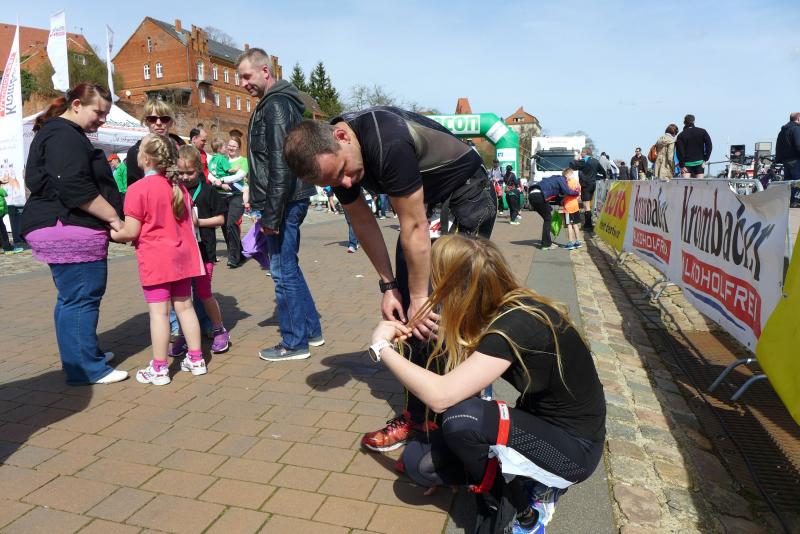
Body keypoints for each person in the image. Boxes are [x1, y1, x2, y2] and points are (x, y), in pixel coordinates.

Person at [283, 106, 497, 451]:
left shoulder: (388, 141)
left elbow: (413, 225)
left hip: (466, 197)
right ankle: (418, 417)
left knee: (444, 311)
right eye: (334, 183)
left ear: (341, 136)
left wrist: (420, 298)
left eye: (343, 173)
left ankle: (466, 417)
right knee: (408, 315)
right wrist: (389, 286)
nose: (347, 184)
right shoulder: (336, 160)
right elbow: (362, 221)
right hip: (427, 206)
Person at [368, 234, 605, 534]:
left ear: (453, 288)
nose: (432, 295)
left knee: (463, 419)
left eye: (435, 285)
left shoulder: (515, 324)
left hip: (574, 451)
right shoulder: (493, 308)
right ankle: (515, 477)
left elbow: (441, 396)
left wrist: (382, 347)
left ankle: (527, 511)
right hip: (536, 425)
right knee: (419, 462)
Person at [20, 83, 128, 385]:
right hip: (68, 227)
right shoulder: (63, 135)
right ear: (77, 105)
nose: (102, 120)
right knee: (81, 298)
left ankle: (83, 355)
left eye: (105, 114)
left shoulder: (61, 133)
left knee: (73, 298)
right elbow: (73, 185)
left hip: (63, 226)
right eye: (98, 112)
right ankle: (85, 367)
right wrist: (114, 219)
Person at [237, 47, 323, 362]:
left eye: (247, 76)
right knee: (288, 267)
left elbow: (280, 163)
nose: (243, 83)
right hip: (287, 198)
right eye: (240, 78)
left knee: (282, 271)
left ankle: (294, 342)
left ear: (265, 71)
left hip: (284, 201)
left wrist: (271, 215)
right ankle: (310, 331)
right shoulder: (277, 103)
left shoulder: (275, 106)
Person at [111, 134, 207, 386]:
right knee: (186, 308)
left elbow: (130, 231)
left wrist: (111, 233)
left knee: (159, 314)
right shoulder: (179, 187)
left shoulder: (137, 189)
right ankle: (196, 359)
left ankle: (160, 368)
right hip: (183, 257)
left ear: (144, 158)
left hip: (156, 259)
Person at [168, 145, 231, 356]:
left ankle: (219, 329)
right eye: (181, 172)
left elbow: (221, 219)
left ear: (199, 169)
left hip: (204, 252)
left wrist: (198, 222)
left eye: (190, 172)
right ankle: (185, 334)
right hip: (182, 253)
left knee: (204, 293)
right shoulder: (175, 190)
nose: (185, 177)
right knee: (182, 297)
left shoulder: (209, 191)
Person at [125, 99, 186, 186]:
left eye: (164, 119)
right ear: (146, 122)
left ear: (171, 122)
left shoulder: (183, 148)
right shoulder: (135, 152)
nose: (158, 123)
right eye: (152, 119)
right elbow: (134, 187)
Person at [528, 170, 580, 250]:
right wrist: (576, 193)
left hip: (532, 196)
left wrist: (559, 203)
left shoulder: (554, 178)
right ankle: (546, 244)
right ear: (567, 176)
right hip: (539, 195)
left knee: (547, 217)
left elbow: (556, 195)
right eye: (571, 176)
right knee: (547, 219)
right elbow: (567, 191)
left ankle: (547, 242)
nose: (571, 178)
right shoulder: (561, 179)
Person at [218, 136, 248, 268]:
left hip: (237, 195)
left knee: (231, 224)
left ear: (239, 148)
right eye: (229, 145)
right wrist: (219, 182)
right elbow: (215, 173)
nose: (231, 148)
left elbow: (239, 175)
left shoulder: (243, 161)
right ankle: (239, 253)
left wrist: (222, 180)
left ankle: (233, 258)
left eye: (234, 146)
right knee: (225, 226)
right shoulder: (222, 160)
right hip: (222, 196)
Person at [569, 147, 606, 230]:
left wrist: (575, 158)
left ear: (585, 153)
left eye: (582, 153)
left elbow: (572, 166)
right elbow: (602, 171)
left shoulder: (584, 160)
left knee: (586, 205)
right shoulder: (596, 161)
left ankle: (588, 225)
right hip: (593, 184)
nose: (581, 154)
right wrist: (603, 177)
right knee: (588, 204)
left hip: (586, 185)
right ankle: (589, 223)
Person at [776, 112, 800, 181]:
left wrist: (778, 160)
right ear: (798, 118)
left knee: (788, 184)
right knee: (798, 183)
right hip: (796, 162)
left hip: (786, 162)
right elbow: (798, 145)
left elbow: (778, 146)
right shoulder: (796, 129)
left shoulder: (783, 131)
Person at [562, 168, 582, 250]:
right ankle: (578, 241)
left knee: (569, 225)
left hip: (568, 207)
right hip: (575, 206)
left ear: (567, 175)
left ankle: (570, 242)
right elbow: (579, 194)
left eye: (564, 176)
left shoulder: (566, 183)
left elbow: (563, 193)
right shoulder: (577, 183)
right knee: (575, 224)